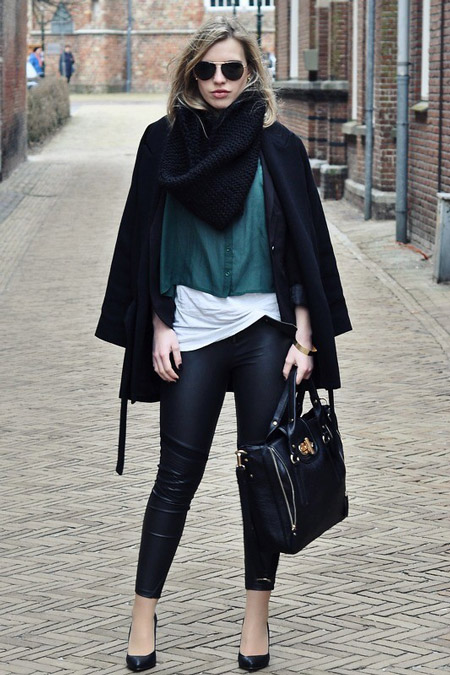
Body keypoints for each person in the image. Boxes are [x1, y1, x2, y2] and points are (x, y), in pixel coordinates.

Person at [96, 16, 351, 673]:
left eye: (231, 69)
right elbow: (146, 238)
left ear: (250, 73)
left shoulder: (278, 145)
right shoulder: (163, 142)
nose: (218, 80)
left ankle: (256, 618)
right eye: (206, 69)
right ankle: (143, 613)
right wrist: (158, 324)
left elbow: (304, 243)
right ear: (190, 73)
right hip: (192, 330)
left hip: (266, 332)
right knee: (175, 476)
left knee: (259, 474)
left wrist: (305, 334)